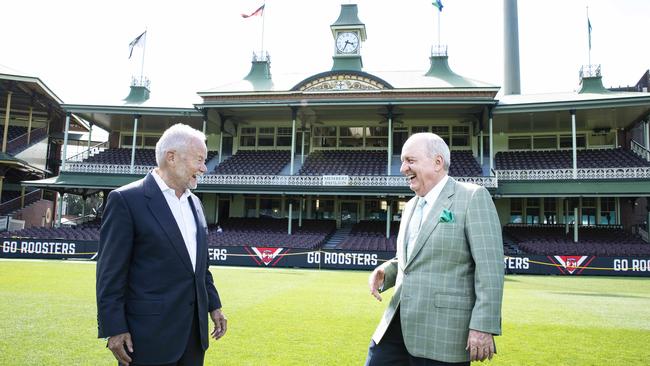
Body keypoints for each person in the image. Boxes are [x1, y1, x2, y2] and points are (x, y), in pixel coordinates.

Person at [366, 132, 504, 365]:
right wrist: (387, 271)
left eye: (410, 161)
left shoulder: (472, 197)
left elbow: (490, 269)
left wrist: (483, 325)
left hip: (444, 334)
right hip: (395, 326)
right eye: (402, 161)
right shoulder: (410, 206)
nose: (402, 169)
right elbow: (410, 260)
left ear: (437, 163)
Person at [96, 123, 227, 366]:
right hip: (147, 338)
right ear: (172, 157)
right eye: (199, 160)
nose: (204, 168)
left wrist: (214, 306)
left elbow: (199, 269)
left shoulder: (196, 204)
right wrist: (113, 327)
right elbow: (110, 273)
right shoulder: (126, 200)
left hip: (192, 339)